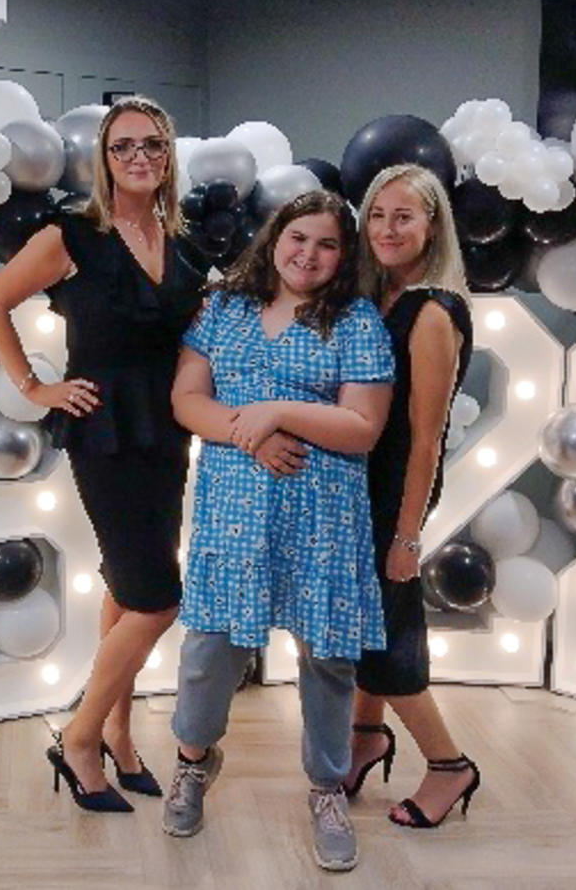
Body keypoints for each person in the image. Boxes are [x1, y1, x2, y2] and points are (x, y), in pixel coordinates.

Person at [0, 96, 206, 813]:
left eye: (153, 146)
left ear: (169, 159)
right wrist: (34, 386)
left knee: (124, 586)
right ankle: (78, 736)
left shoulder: (185, 242)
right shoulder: (72, 234)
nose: (140, 157)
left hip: (166, 433)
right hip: (105, 433)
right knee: (156, 598)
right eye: (124, 146)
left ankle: (119, 731)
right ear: (104, 160)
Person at [162, 191, 394, 872]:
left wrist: (275, 411)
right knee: (210, 649)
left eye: (327, 244)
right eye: (299, 237)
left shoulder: (354, 322)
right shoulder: (225, 311)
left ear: (343, 256)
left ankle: (327, 786)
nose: (309, 254)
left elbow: (362, 427)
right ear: (274, 238)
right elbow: (186, 399)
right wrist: (252, 433)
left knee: (326, 657)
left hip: (323, 516)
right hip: (232, 512)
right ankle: (193, 761)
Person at [342, 163, 479, 829]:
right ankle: (366, 736)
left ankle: (449, 764)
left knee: (392, 634)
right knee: (368, 623)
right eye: (377, 215)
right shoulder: (381, 297)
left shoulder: (431, 310)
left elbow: (426, 440)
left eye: (405, 216)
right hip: (362, 485)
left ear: (432, 226)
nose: (388, 229)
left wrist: (406, 535)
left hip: (396, 491)